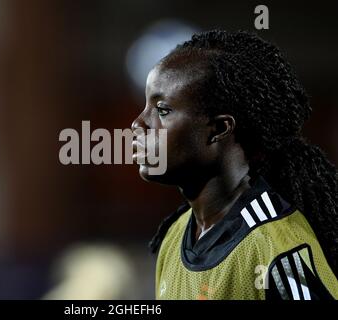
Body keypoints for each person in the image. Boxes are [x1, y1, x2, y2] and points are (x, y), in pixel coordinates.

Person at [131, 30, 338, 300]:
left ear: (218, 128)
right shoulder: (175, 235)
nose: (138, 123)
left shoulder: (277, 248)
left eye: (162, 109)